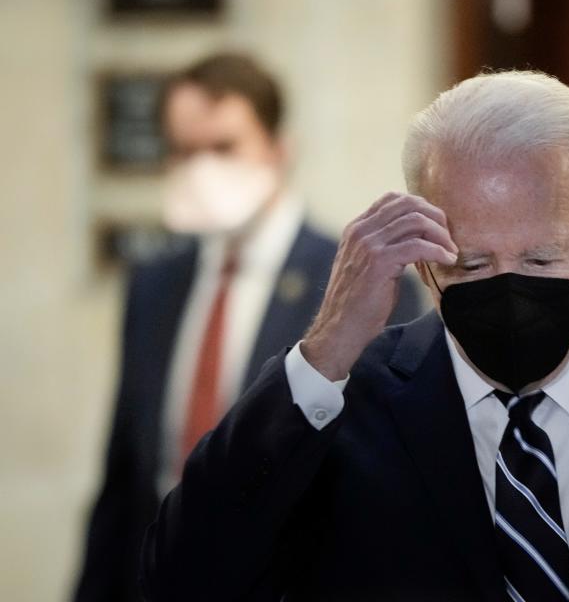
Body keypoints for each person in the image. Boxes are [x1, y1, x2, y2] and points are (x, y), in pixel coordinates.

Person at [140, 71, 569, 601]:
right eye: (473, 264)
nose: (510, 290)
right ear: (425, 257)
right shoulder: (343, 415)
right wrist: (326, 349)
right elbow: (182, 574)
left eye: (542, 259)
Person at [74, 52, 423, 602]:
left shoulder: (358, 281)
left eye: (223, 148)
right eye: (185, 151)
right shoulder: (154, 283)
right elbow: (124, 477)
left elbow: (380, 484)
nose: (201, 169)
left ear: (279, 151)